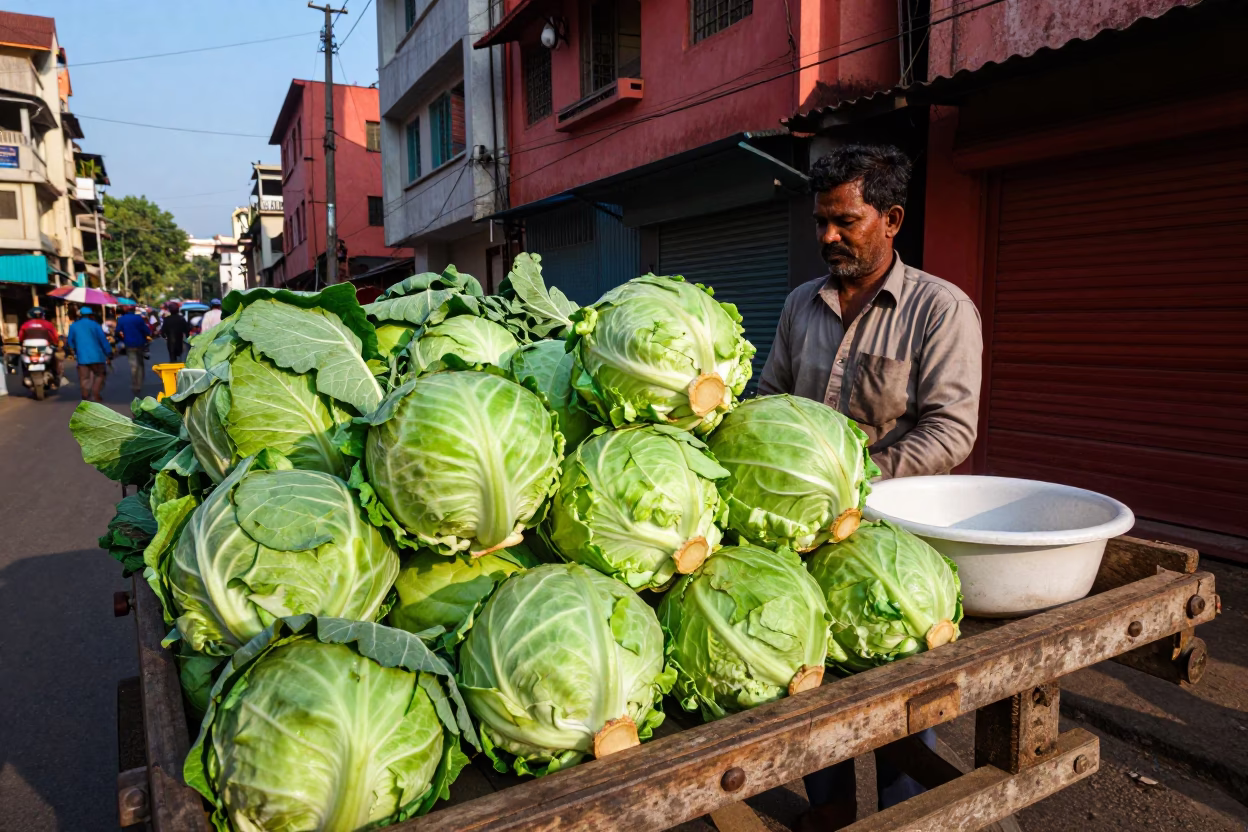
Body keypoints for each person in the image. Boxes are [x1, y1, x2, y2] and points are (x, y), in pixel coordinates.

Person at [759, 145, 982, 830]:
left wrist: (851, 487)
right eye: (821, 221)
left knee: (897, 689)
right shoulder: (802, 304)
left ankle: (902, 811)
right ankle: (828, 805)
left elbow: (951, 431)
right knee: (813, 679)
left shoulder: (939, 310)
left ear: (892, 219)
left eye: (845, 221)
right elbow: (768, 398)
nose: (828, 236)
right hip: (801, 535)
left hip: (892, 540)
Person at [65, 306, 112, 402]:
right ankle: (95, 393)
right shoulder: (96, 325)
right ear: (91, 315)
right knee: (100, 375)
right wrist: (108, 352)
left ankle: (86, 395)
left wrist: (74, 351)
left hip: (82, 358)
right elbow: (103, 341)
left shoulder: (74, 326)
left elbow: (70, 342)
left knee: (84, 378)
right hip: (97, 357)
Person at [18, 306, 62, 385]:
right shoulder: (48, 324)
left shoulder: (25, 325)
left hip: (29, 350)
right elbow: (54, 337)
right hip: (44, 349)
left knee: (22, 360)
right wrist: (56, 344)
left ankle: (25, 375)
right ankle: (55, 375)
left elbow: (21, 338)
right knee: (54, 359)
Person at [115, 305, 152, 396]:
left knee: (133, 365)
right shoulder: (138, 319)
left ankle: (134, 384)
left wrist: (121, 339)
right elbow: (146, 331)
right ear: (134, 310)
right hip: (140, 344)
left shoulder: (121, 319)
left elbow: (117, 331)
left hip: (129, 345)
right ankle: (139, 385)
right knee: (140, 364)